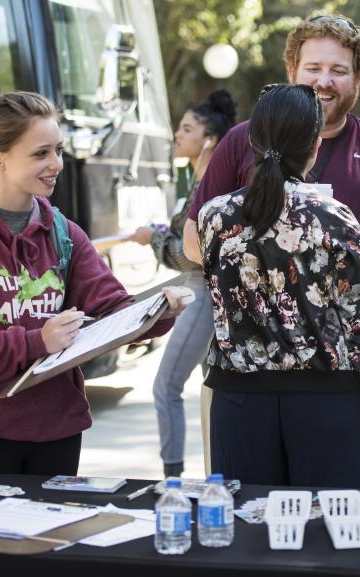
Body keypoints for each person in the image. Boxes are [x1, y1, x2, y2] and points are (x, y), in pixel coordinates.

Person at [0, 92, 189, 493]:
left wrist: (156, 313)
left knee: (50, 554)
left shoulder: (63, 232)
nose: (57, 165)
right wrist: (37, 341)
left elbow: (113, 307)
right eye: (41, 153)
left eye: (58, 150)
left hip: (58, 433)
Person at [183, 84, 360, 489]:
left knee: (246, 539)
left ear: (251, 140)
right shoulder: (333, 217)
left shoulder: (214, 217)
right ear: (315, 144)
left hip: (239, 403)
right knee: (330, 538)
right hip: (327, 402)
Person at [189, 13, 360, 287]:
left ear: (358, 79)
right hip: (254, 326)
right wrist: (262, 274)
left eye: (338, 71)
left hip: (348, 325)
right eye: (313, 68)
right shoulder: (241, 139)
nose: (324, 81)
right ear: (291, 71)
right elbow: (191, 237)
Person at [126, 90, 237, 478]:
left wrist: (154, 240)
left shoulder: (211, 180)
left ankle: (172, 479)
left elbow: (196, 255)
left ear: (208, 139)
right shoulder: (202, 178)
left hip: (204, 290)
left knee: (166, 386)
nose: (178, 135)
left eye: (187, 129)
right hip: (197, 289)